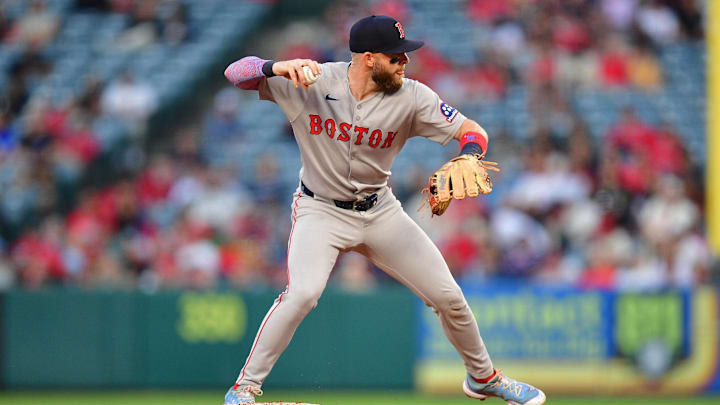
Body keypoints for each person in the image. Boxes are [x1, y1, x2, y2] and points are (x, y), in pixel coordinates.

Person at [222, 15, 546, 405]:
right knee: (303, 293)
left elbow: (472, 129)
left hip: (380, 211)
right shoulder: (311, 80)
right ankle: (243, 390)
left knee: (450, 298)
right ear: (370, 58)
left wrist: (471, 154)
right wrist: (275, 66)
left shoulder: (412, 96)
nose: (405, 63)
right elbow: (235, 73)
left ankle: (484, 378)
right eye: (397, 57)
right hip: (320, 210)